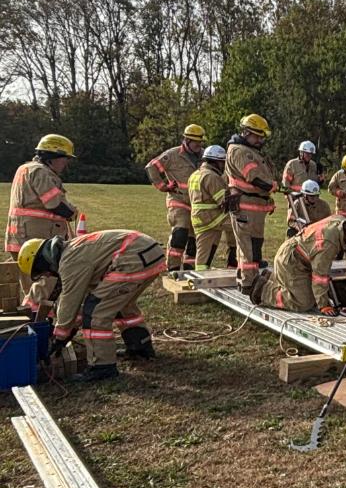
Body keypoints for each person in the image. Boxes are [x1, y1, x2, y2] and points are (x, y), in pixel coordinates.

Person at [17, 230, 164, 382]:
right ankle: (140, 347)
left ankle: (102, 366)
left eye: (43, 272)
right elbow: (83, 299)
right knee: (120, 303)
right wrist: (71, 327)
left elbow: (70, 301)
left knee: (96, 312)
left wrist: (59, 336)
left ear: (43, 261)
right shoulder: (73, 249)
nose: (47, 276)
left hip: (133, 259)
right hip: (151, 253)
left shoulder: (70, 262)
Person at [5, 134, 78, 315]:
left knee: (31, 285)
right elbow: (54, 203)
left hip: (19, 238)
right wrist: (72, 212)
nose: (66, 163)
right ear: (52, 156)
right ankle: (36, 320)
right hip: (37, 242)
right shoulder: (41, 172)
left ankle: (34, 323)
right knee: (47, 282)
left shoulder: (25, 168)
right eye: (64, 158)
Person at [250, 211, 346, 313]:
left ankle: (271, 278)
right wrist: (323, 305)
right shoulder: (329, 244)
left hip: (297, 258)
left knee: (311, 297)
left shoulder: (341, 221)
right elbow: (319, 277)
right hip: (291, 262)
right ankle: (263, 290)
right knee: (303, 303)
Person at [225, 114, 278, 291]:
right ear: (246, 132)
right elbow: (253, 177)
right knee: (247, 248)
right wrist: (270, 186)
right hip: (244, 207)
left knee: (254, 246)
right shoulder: (239, 151)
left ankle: (250, 278)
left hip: (254, 207)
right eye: (258, 136)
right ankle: (248, 283)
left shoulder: (252, 151)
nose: (261, 140)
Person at [145, 125, 206, 272]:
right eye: (195, 141)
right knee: (180, 233)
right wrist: (162, 186)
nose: (199, 145)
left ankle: (189, 268)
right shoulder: (172, 155)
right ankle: (172, 267)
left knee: (194, 239)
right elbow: (151, 167)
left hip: (197, 203)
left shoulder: (204, 155)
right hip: (178, 200)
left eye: (200, 142)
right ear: (186, 140)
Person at [188, 145, 238, 272]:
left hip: (199, 218)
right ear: (216, 162)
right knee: (242, 225)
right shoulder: (212, 177)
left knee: (204, 252)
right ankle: (241, 262)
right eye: (222, 163)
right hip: (213, 217)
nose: (223, 166)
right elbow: (224, 201)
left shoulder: (194, 174)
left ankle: (201, 274)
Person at [281, 141, 326, 232]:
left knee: (309, 225)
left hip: (310, 202)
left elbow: (314, 182)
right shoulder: (292, 164)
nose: (309, 156)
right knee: (294, 225)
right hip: (295, 200)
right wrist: (291, 199)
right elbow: (285, 184)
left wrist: (320, 180)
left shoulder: (313, 165)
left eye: (311, 154)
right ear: (301, 152)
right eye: (307, 153)